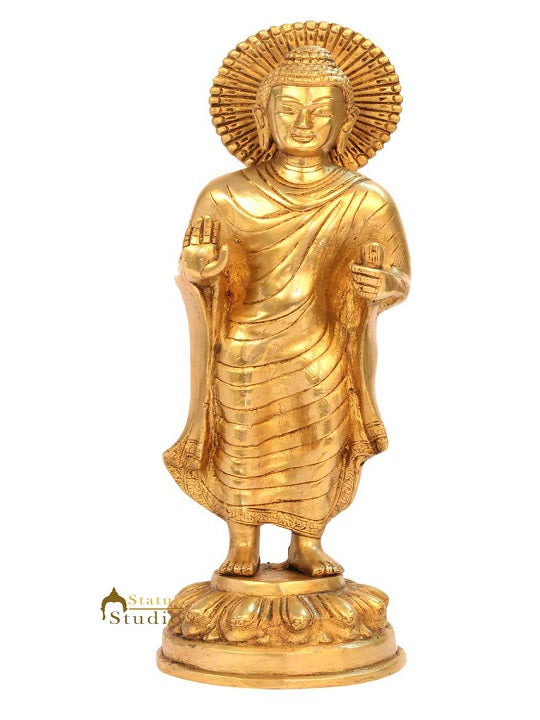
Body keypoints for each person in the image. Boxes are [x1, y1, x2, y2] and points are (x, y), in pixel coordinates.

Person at [164, 45, 410, 577]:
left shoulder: (366, 200)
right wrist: (201, 271)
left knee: (319, 439)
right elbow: (197, 270)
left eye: (320, 111)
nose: (303, 123)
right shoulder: (226, 196)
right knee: (242, 440)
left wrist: (384, 284)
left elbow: (398, 279)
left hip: (322, 347)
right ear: (264, 116)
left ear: (344, 121)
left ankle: (307, 540)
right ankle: (242, 542)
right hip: (244, 346)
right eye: (290, 108)